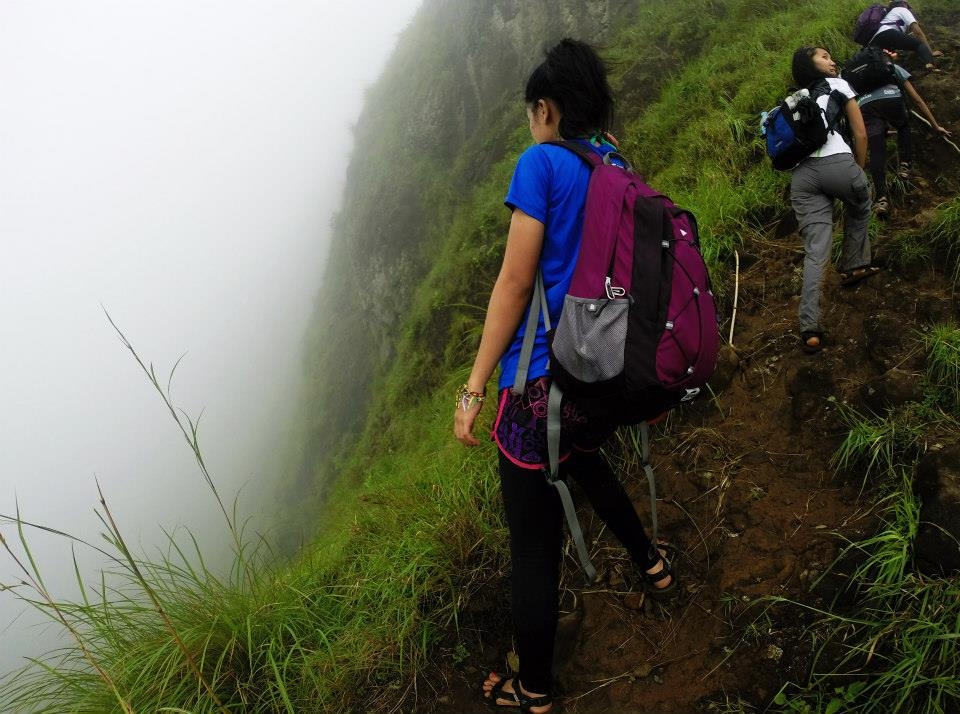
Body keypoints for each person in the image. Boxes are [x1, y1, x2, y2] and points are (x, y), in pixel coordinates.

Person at [452, 38, 675, 712]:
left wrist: (474, 387)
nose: (530, 123)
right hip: (606, 372)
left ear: (545, 108)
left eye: (531, 112)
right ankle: (654, 566)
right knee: (581, 458)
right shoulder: (614, 161)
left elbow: (515, 283)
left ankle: (534, 690)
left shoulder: (540, 164)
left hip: (542, 383)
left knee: (532, 543)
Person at [789, 46, 875, 354]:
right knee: (861, 203)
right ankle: (854, 265)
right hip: (838, 162)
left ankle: (810, 329)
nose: (832, 60)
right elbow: (860, 133)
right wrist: (858, 170)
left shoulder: (795, 98)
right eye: (824, 57)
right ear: (810, 64)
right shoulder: (838, 84)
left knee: (815, 251)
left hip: (802, 177)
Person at [857, 53, 951, 217]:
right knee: (903, 125)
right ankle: (905, 166)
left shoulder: (858, 75)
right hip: (891, 99)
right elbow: (917, 100)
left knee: (877, 150)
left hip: (864, 106)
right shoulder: (892, 67)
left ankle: (881, 198)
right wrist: (935, 126)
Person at [867, 0, 944, 71]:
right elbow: (918, 32)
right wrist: (929, 52)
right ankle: (930, 65)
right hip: (888, 33)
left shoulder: (891, 14)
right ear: (904, 4)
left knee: (886, 66)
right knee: (920, 44)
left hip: (874, 41)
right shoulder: (902, 9)